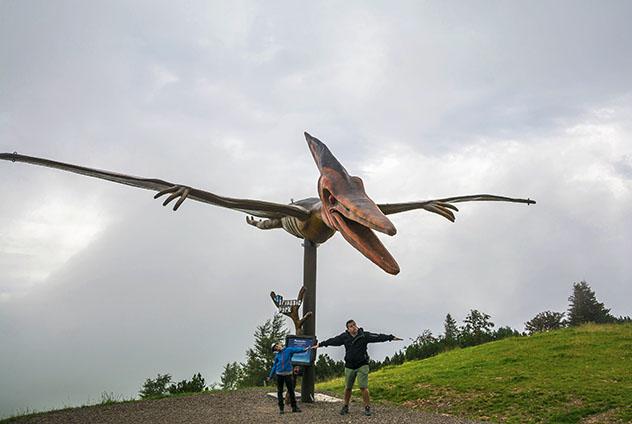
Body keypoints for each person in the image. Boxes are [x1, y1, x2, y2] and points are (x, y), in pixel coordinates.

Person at [312, 319, 402, 416]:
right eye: (351, 326)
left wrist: (390, 337)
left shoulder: (364, 335)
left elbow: (377, 337)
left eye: (354, 325)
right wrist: (321, 344)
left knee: (363, 387)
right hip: (349, 366)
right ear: (348, 329)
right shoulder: (344, 337)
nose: (353, 327)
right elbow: (333, 341)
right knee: (348, 388)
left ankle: (367, 407)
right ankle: (345, 406)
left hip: (362, 365)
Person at [267, 342, 305, 415]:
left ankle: (294, 408)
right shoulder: (277, 356)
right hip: (279, 375)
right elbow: (274, 366)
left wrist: (304, 349)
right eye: (275, 348)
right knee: (280, 391)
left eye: (276, 346)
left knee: (291, 391)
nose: (277, 348)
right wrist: (270, 376)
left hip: (288, 374)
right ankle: (281, 409)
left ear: (279, 344)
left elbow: (296, 350)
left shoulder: (288, 350)